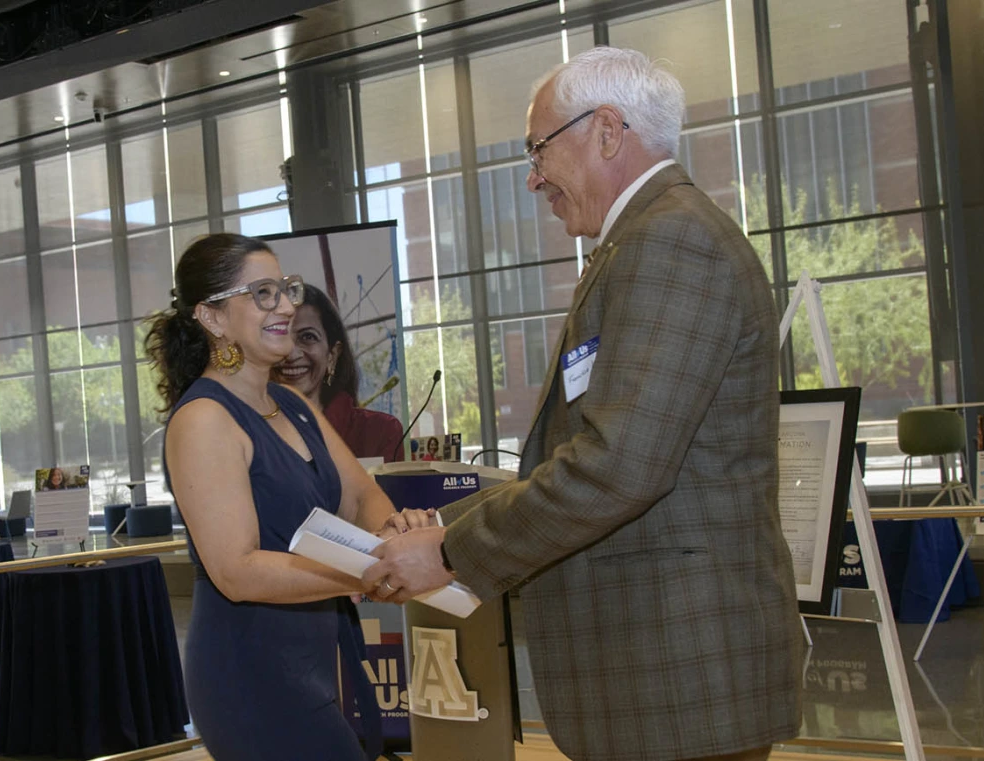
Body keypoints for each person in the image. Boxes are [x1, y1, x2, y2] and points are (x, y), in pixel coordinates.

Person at [364, 47, 803, 761]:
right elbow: (594, 456)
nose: (535, 178)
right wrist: (442, 526)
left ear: (607, 130)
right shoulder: (642, 241)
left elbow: (617, 466)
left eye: (539, 149)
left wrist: (447, 550)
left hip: (675, 680)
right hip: (658, 683)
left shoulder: (672, 241)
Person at [145, 233, 429, 761]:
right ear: (212, 317)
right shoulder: (204, 419)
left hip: (309, 665)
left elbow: (360, 495)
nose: (287, 306)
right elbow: (238, 569)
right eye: (264, 294)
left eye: (287, 289)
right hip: (250, 675)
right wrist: (369, 570)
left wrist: (395, 534)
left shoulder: (290, 403)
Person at [274, 284, 404, 462]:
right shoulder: (245, 432)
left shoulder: (379, 433)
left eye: (308, 337)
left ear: (332, 355)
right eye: (280, 337)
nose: (292, 353)